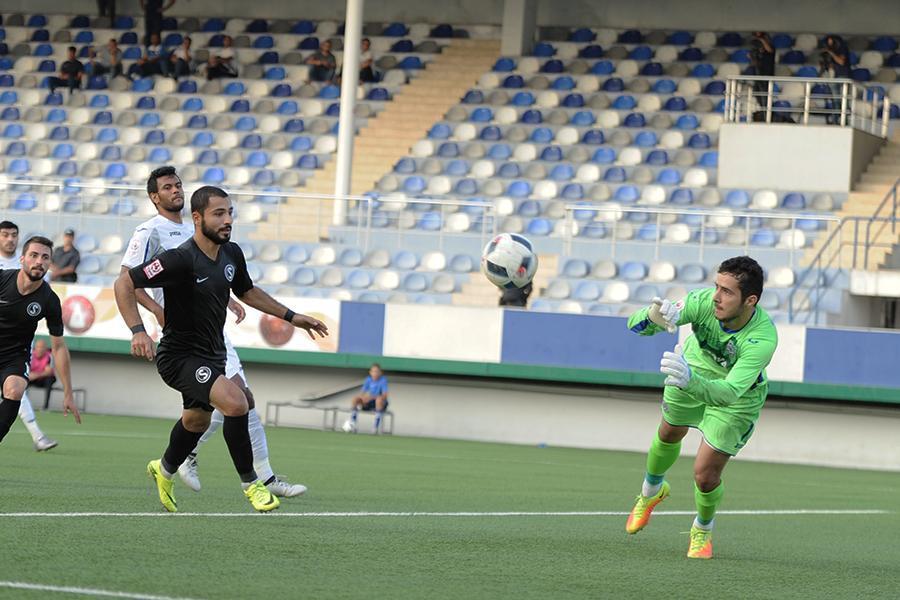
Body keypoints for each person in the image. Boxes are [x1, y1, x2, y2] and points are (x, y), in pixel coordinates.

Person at [115, 181, 328, 512]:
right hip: (178, 356)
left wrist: (292, 316)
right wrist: (138, 331)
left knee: (196, 422)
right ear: (197, 218)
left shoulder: (232, 253)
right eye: (218, 214)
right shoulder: (179, 259)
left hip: (213, 354)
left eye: (230, 212)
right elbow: (124, 282)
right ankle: (253, 484)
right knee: (237, 402)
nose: (227, 220)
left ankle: (164, 469)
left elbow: (247, 291)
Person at [623, 256, 778, 559]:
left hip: (737, 398)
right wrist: (653, 316)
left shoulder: (762, 339)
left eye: (727, 291)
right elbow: (635, 327)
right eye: (716, 286)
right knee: (669, 431)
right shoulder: (703, 302)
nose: (716, 297)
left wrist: (691, 381)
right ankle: (650, 493)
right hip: (692, 369)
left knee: (705, 475)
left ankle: (702, 529)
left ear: (750, 300)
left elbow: (729, 393)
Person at [0, 236, 81, 451]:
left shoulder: (49, 300)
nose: (39, 261)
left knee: (15, 390)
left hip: (14, 356)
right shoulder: (2, 279)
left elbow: (59, 347)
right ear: (22, 259)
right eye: (34, 255)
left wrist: (68, 392)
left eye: (45, 257)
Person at [0, 221, 59, 451]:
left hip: (16, 350)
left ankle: (37, 435)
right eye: (5, 235)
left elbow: (59, 343)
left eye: (14, 235)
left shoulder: (43, 286)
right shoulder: (6, 274)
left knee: (15, 390)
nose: (10, 239)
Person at [345, 363, 389, 433]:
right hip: (369, 402)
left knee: (379, 400)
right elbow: (362, 393)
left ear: (380, 373)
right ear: (370, 372)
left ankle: (375, 428)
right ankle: (353, 424)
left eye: (377, 372)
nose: (375, 373)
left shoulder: (383, 380)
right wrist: (363, 398)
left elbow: (385, 395)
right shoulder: (368, 379)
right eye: (373, 371)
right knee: (355, 399)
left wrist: (371, 397)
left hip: (380, 403)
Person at [820, 35, 851, 125]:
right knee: (835, 101)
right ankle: (835, 121)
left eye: (831, 42)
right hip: (832, 77)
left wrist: (831, 53)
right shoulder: (829, 51)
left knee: (844, 100)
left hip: (842, 76)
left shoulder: (842, 49)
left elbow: (841, 62)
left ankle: (845, 121)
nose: (829, 44)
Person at [28, 339, 56, 410]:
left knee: (49, 380)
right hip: (33, 378)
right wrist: (30, 375)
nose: (40, 349)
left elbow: (48, 372)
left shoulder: (49, 356)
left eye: (42, 347)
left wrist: (36, 375)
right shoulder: (31, 355)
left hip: (44, 379)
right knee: (23, 379)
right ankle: (22, 404)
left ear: (45, 349)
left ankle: (45, 407)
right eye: (38, 347)